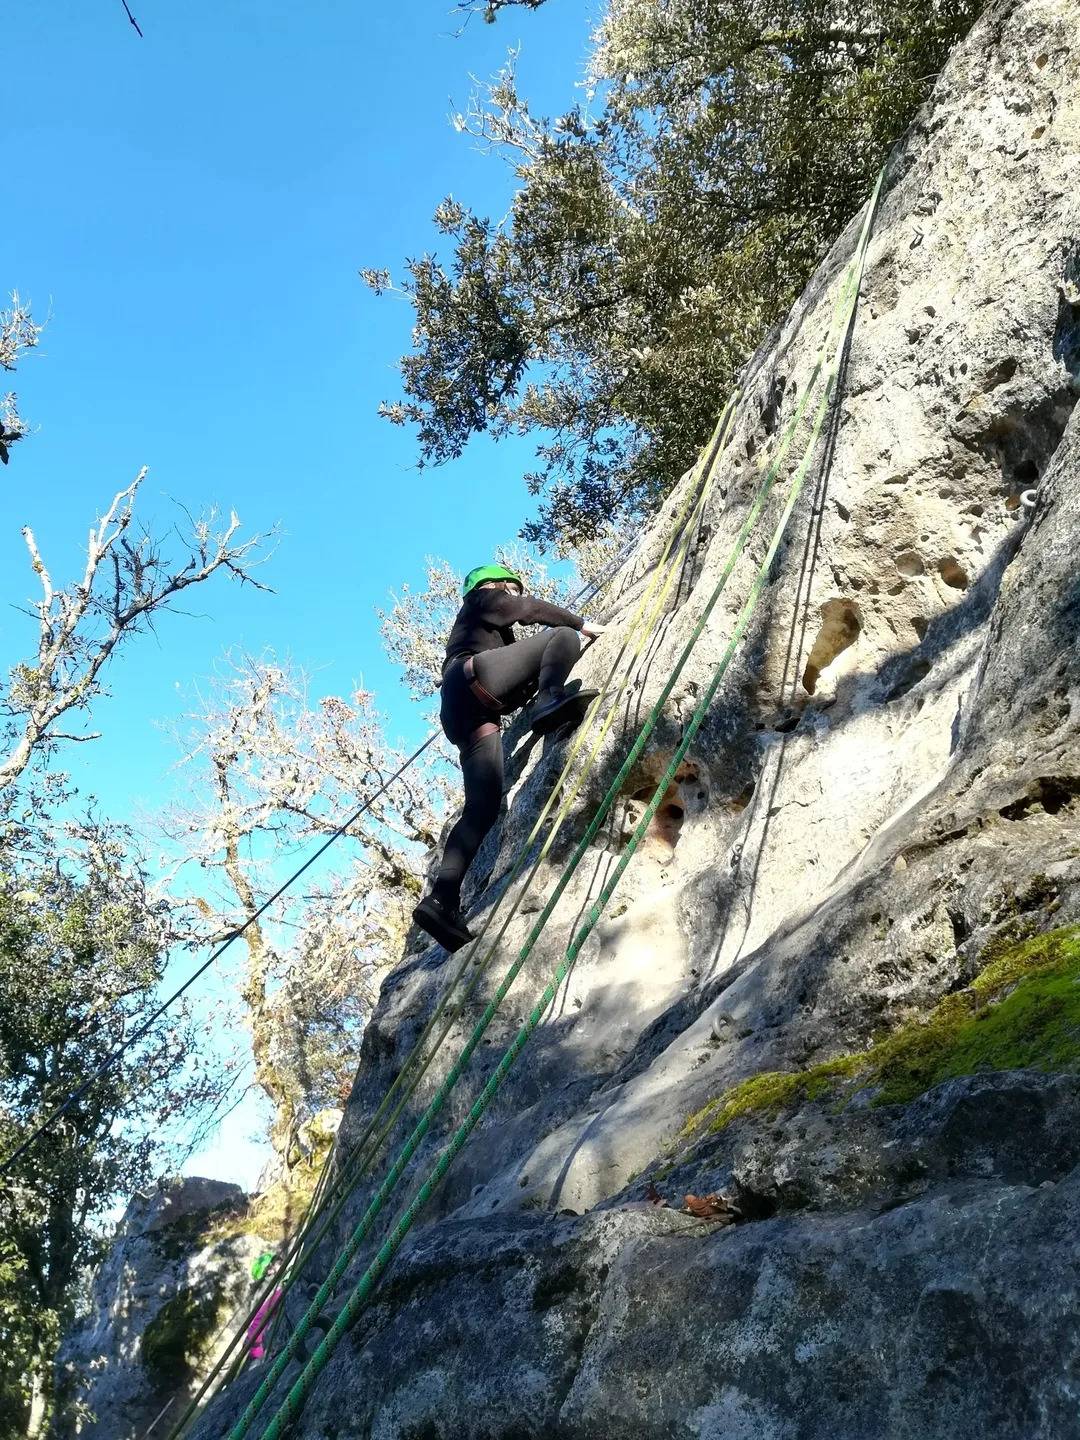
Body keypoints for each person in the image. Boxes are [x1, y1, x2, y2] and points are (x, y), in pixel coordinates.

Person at [412, 563, 607, 953]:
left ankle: (442, 899)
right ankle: (551, 699)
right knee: (562, 635)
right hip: (472, 680)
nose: (513, 594)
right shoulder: (483, 600)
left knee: (482, 807)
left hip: (467, 711)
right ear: (495, 585)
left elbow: (515, 671)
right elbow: (529, 609)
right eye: (511, 588)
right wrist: (582, 624)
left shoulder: (485, 631)